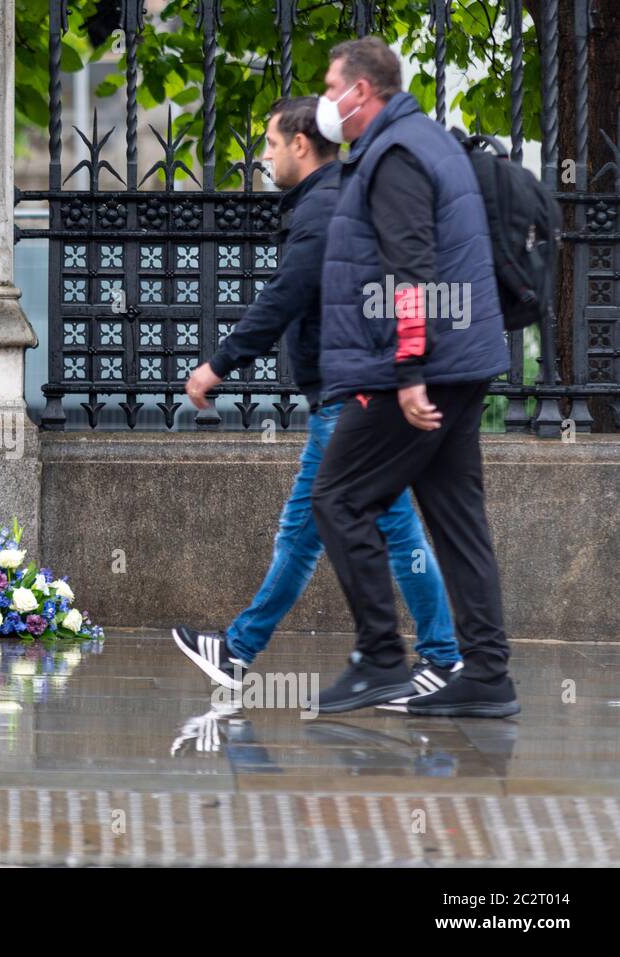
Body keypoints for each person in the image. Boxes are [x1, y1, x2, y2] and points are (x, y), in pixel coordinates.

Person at [173, 97, 461, 699]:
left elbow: (286, 294)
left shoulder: (326, 206)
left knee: (391, 531)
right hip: (352, 392)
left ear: (301, 145)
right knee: (306, 533)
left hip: (353, 396)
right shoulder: (332, 199)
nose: (266, 156)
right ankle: (238, 650)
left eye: (272, 144)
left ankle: (443, 658)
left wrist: (217, 365)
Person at [309, 37, 519, 717]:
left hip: (424, 365)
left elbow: (411, 267)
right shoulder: (425, 140)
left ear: (361, 91)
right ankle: (487, 673)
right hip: (460, 359)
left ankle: (379, 659)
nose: (325, 100)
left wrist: (406, 368)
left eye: (330, 85)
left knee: (338, 497)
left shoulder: (396, 155)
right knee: (458, 520)